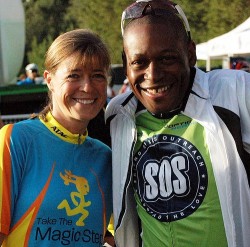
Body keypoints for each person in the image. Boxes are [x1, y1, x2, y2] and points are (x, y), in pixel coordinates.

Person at [105, 1, 250, 246]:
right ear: (126, 63)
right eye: (139, 62)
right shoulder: (118, 115)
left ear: (190, 54)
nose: (153, 75)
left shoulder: (235, 92)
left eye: (167, 59)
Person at [0, 29, 113, 247]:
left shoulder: (106, 158)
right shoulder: (15, 141)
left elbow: (113, 236)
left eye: (97, 75)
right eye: (74, 75)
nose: (87, 87)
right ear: (49, 80)